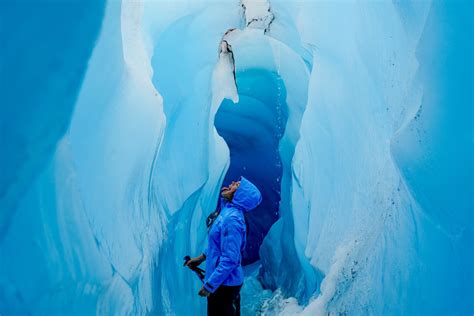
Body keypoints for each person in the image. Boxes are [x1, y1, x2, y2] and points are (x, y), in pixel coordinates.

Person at [186, 176, 262, 316]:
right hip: (223, 283)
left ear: (241, 195)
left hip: (224, 286)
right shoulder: (226, 212)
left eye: (237, 185)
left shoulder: (232, 220)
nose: (232, 183)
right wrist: (201, 258)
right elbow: (218, 245)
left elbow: (230, 259)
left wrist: (210, 285)